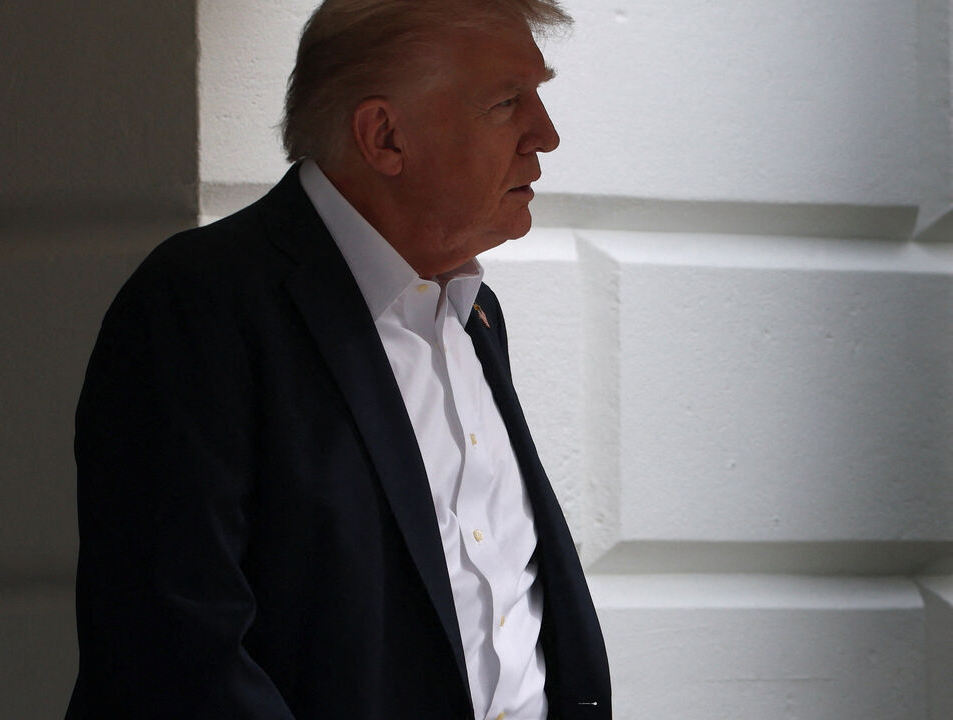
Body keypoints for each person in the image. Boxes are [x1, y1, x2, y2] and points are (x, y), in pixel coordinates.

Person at [65, 0, 610, 717]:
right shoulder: (198, 308)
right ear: (384, 136)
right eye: (508, 103)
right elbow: (177, 660)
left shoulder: (474, 313)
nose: (546, 135)